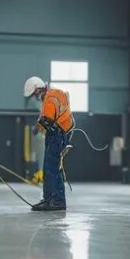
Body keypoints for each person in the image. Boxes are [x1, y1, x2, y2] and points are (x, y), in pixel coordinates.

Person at [23, 75, 74, 212]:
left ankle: (52, 201)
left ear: (38, 89)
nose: (34, 97)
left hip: (56, 135)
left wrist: (37, 127)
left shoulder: (50, 99)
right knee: (53, 168)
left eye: (34, 94)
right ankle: (56, 200)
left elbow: (48, 121)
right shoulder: (53, 94)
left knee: (50, 168)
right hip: (60, 134)